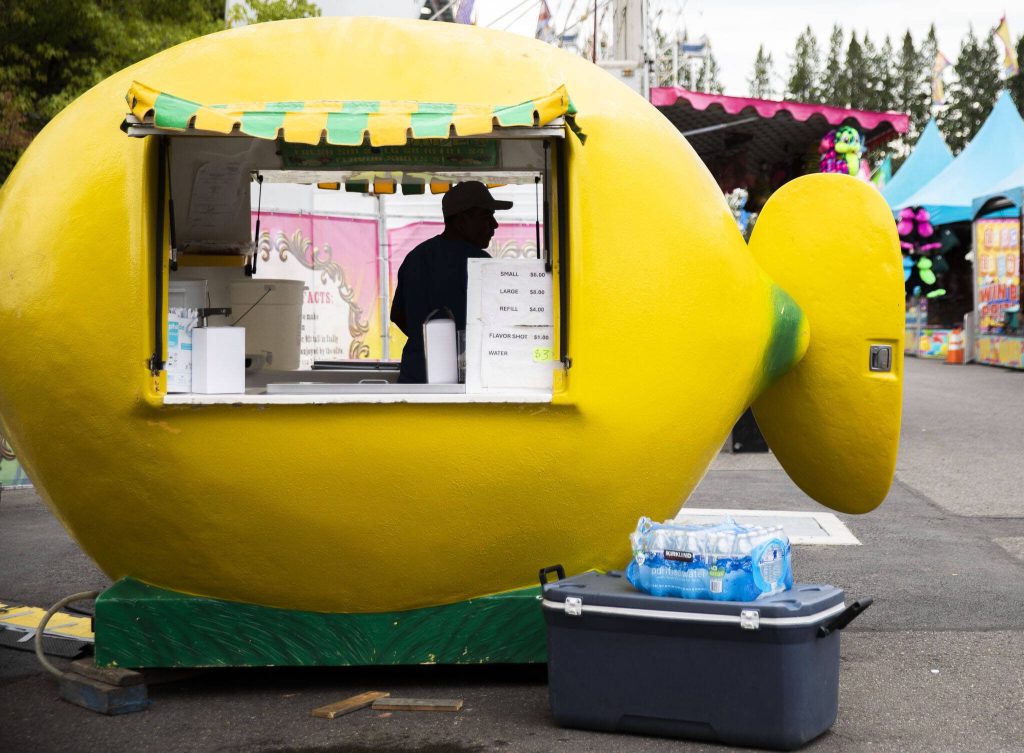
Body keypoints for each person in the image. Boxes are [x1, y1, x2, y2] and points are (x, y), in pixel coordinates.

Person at [390, 181, 512, 383]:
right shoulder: (480, 264)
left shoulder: (416, 257)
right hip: (464, 384)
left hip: (414, 382)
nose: (494, 224)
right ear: (462, 221)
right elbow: (499, 325)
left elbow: (398, 315)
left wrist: (429, 343)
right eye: (486, 216)